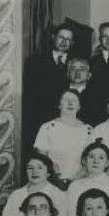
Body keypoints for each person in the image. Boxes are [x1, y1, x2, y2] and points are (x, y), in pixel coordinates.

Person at [24, 23, 75, 154]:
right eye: (61, 37)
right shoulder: (35, 61)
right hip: (40, 118)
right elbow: (30, 95)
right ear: (53, 37)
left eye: (68, 39)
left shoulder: (75, 64)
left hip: (66, 119)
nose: (64, 42)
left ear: (72, 43)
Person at [33, 89, 92, 188]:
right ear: (59, 105)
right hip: (51, 182)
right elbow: (41, 159)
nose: (70, 103)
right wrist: (56, 180)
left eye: (74, 100)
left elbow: (90, 161)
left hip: (81, 183)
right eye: (66, 99)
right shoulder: (47, 127)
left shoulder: (88, 130)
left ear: (79, 107)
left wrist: (73, 182)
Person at [0, 152, 67, 216]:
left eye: (40, 168)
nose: (34, 172)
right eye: (30, 168)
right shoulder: (16, 195)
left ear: (48, 173)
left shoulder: (59, 195)